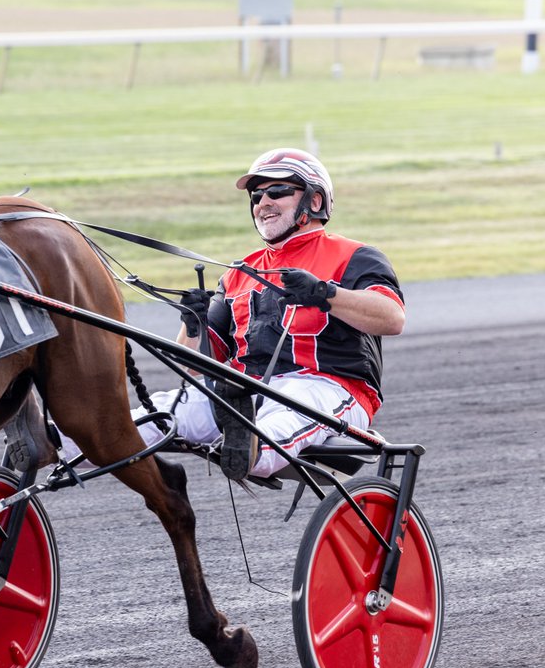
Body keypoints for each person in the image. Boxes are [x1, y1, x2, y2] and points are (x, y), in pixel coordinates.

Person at [134, 147, 405, 480]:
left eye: (277, 191)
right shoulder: (237, 274)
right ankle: (61, 441)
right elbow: (195, 365)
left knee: (283, 413)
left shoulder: (355, 256)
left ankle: (247, 447)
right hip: (240, 393)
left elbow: (392, 318)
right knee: (155, 414)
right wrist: (193, 324)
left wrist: (324, 293)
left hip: (327, 388)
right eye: (256, 195)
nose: (263, 203)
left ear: (315, 201)